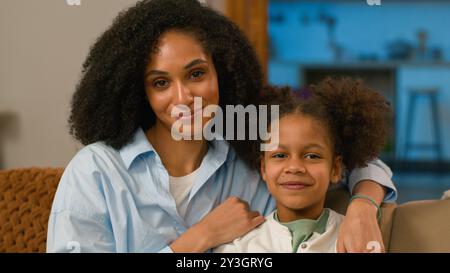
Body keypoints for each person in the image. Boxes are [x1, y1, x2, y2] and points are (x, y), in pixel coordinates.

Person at [47, 0, 397, 253]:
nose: (183, 97)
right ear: (140, 92)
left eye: (196, 74)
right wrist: (200, 238)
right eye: (160, 82)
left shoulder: (249, 142)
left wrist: (363, 207)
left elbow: (348, 152)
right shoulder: (96, 170)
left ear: (222, 73)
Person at [215, 78, 391, 253]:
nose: (294, 167)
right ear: (264, 169)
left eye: (312, 156)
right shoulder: (240, 247)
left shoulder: (358, 239)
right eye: (280, 155)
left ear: (336, 169)